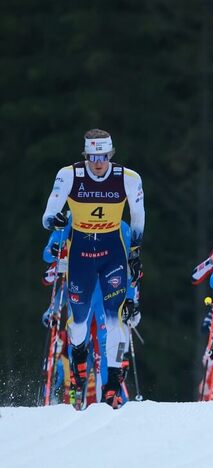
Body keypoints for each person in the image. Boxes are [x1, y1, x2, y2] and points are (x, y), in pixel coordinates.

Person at [41, 129, 144, 408]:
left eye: (103, 156)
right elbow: (49, 213)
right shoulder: (70, 174)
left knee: (115, 321)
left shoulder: (128, 178)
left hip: (112, 255)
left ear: (111, 154)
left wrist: (135, 252)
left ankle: (111, 385)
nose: (98, 163)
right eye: (92, 157)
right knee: (79, 324)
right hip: (81, 257)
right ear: (85, 156)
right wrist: (55, 220)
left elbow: (138, 218)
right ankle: (78, 358)